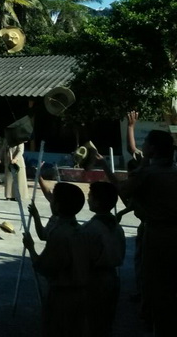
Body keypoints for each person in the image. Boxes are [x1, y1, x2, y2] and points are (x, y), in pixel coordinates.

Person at [106, 127, 176, 336]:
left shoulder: (148, 173)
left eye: (146, 143)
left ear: (152, 149)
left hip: (157, 233)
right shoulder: (172, 170)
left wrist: (105, 168)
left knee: (154, 281)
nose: (142, 146)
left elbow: (123, 190)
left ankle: (155, 322)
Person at [23, 182, 90, 337]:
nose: (50, 202)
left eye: (53, 200)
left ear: (58, 205)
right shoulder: (82, 230)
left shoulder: (60, 234)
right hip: (82, 294)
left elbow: (44, 267)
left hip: (62, 295)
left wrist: (31, 248)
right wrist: (36, 216)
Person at [82, 181, 125, 337]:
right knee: (106, 323)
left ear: (97, 202)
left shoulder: (90, 228)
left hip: (94, 279)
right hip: (112, 278)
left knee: (92, 323)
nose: (88, 199)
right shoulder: (117, 227)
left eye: (90, 196)